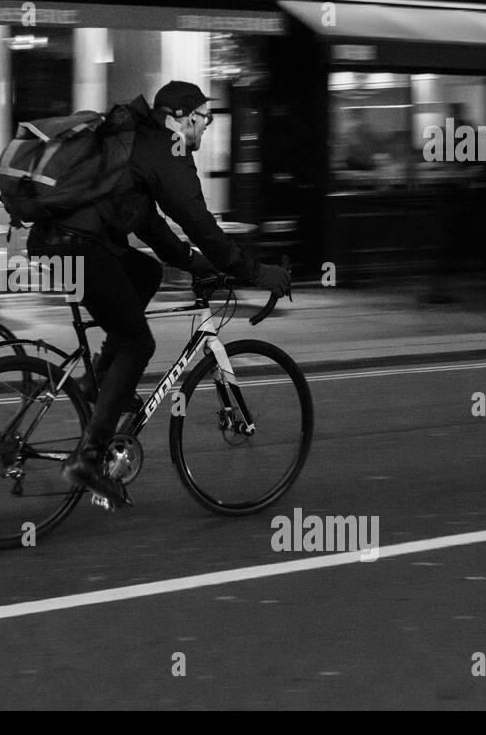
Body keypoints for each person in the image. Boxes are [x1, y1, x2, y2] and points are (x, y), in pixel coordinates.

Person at [28, 81, 290, 507]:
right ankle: (89, 460)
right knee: (138, 342)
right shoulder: (167, 148)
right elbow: (199, 222)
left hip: (62, 243)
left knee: (145, 271)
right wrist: (255, 271)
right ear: (183, 117)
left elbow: (149, 224)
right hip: (79, 246)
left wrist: (195, 264)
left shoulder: (137, 142)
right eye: (205, 119)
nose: (205, 129)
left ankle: (100, 380)